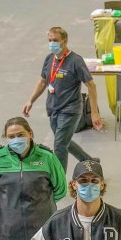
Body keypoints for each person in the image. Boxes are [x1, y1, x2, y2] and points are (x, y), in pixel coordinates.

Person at [22, 26, 102, 172]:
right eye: (50, 40)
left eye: (56, 40)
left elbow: (91, 85)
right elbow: (42, 81)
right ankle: (89, 161)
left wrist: (95, 113)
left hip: (70, 109)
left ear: (65, 41)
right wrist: (30, 100)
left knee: (59, 145)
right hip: (53, 108)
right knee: (64, 141)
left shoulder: (75, 61)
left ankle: (59, 181)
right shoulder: (49, 59)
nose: (52, 43)